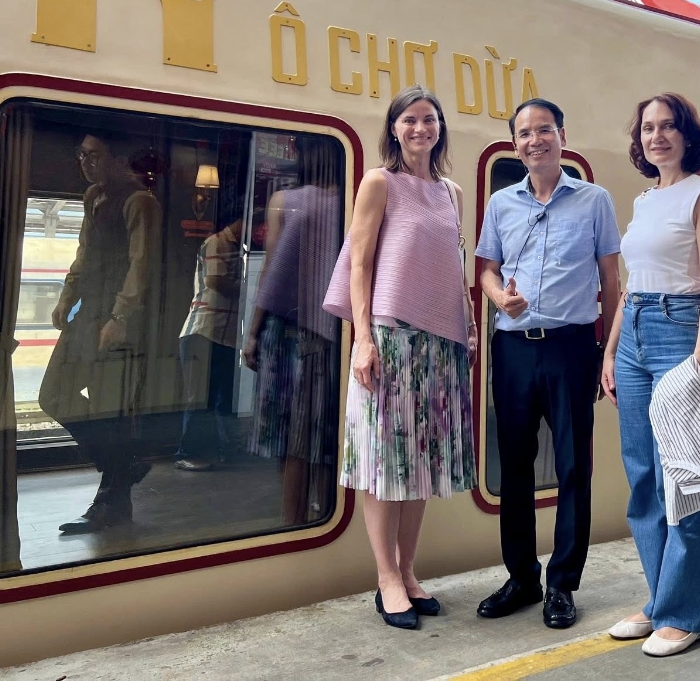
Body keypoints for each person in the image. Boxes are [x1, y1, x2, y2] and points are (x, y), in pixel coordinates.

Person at [323, 85, 478, 632]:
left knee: (422, 462)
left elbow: (453, 265)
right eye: (410, 120)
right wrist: (361, 338)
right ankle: (386, 578)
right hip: (390, 338)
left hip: (441, 343)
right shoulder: (378, 182)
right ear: (394, 128)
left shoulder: (451, 192)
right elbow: (359, 264)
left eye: (429, 120)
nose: (420, 128)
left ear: (440, 128)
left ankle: (409, 572)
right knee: (384, 461)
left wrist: (469, 320)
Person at [474, 97, 621, 630]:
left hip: (570, 346)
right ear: (515, 143)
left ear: (562, 136)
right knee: (512, 464)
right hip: (513, 347)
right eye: (524, 133)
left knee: (573, 466)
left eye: (544, 131)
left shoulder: (594, 200)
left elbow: (611, 280)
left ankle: (562, 584)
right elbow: (486, 270)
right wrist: (499, 299)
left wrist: (607, 348)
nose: (533, 140)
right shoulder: (501, 204)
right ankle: (521, 578)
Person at [600, 93, 700, 658]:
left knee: (686, 478)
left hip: (681, 334)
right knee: (643, 476)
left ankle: (689, 612)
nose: (657, 136)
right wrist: (610, 351)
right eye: (649, 128)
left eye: (668, 127)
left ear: (686, 135)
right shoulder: (645, 199)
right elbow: (632, 283)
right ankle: (661, 599)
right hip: (634, 334)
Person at [39, 130, 161, 533]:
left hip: (116, 319)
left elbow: (140, 265)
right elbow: (85, 254)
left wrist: (120, 317)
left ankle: (111, 503)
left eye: (93, 155)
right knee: (53, 395)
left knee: (111, 406)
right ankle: (123, 466)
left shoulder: (139, 200)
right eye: (82, 154)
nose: (84, 162)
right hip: (87, 312)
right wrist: (65, 297)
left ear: (117, 157)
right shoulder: (93, 198)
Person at [243, 138, 341, 527]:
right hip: (333, 334)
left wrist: (252, 334)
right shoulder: (354, 201)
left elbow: (271, 273)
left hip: (283, 331)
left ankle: (293, 524)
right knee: (321, 436)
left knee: (290, 441)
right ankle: (321, 514)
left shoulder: (286, 201)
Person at [174, 213, 244, 471]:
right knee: (199, 397)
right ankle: (188, 452)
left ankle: (223, 449)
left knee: (222, 397)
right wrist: (252, 288)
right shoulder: (218, 243)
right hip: (203, 331)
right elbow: (214, 281)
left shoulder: (237, 248)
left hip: (224, 334)